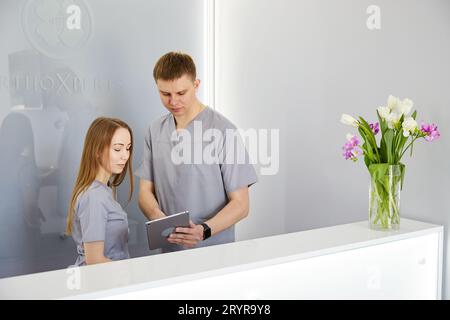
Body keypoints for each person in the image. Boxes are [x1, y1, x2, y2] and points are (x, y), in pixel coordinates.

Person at [136, 51, 257, 252]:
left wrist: (203, 230)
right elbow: (144, 192)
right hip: (169, 251)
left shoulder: (224, 131)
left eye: (181, 93)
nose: (173, 101)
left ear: (196, 85)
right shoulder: (154, 130)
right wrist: (158, 218)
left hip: (214, 250)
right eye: (165, 94)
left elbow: (241, 204)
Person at [65, 117, 134, 265]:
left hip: (113, 280)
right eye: (117, 149)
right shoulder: (94, 196)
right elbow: (95, 261)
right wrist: (130, 273)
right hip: (104, 282)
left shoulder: (106, 190)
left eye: (127, 148)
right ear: (97, 150)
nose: (125, 155)